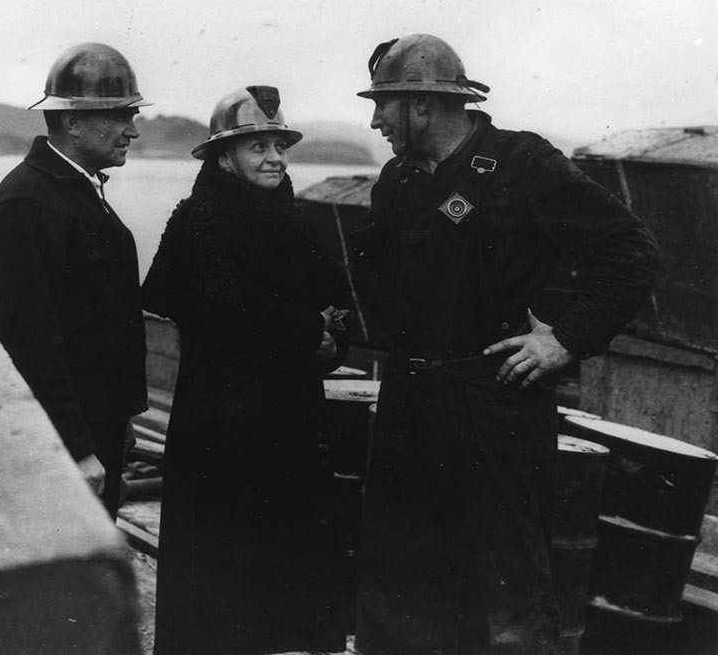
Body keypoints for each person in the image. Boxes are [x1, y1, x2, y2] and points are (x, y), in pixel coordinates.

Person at [349, 34, 660, 655]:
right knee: (399, 581)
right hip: (412, 403)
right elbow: (379, 280)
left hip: (493, 404)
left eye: (385, 103)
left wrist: (565, 339)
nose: (377, 119)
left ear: (422, 105)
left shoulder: (522, 164)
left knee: (506, 592)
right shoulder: (397, 181)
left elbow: (629, 250)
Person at [142, 85, 351, 655]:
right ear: (223, 155)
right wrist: (311, 331)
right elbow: (220, 313)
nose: (275, 159)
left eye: (280, 146)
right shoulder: (201, 219)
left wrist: (335, 342)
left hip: (289, 419)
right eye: (257, 146)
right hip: (223, 427)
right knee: (223, 580)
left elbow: (336, 299)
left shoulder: (289, 218)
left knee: (287, 573)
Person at [0, 41, 150, 520]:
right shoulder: (26, 206)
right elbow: (31, 341)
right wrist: (75, 447)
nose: (132, 131)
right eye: (119, 116)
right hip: (66, 440)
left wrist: (119, 421)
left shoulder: (77, 192)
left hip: (98, 427)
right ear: (72, 122)